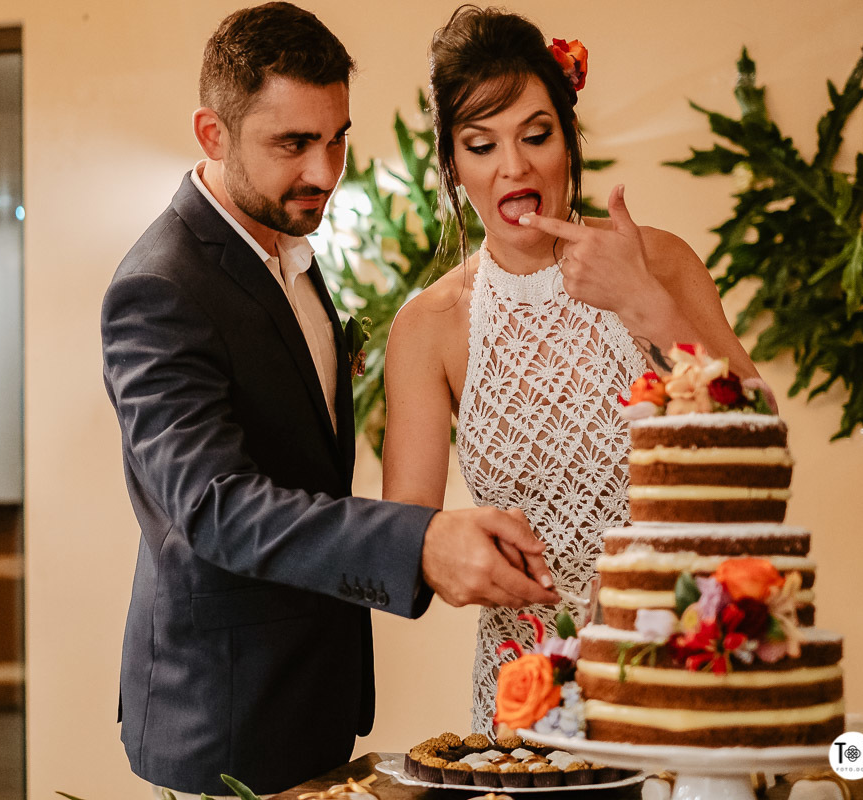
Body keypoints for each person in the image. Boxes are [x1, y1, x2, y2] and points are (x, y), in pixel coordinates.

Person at [101, 4, 560, 796]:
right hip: (224, 714)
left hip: (313, 698)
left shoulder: (294, 252)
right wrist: (418, 542)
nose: (324, 171)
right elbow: (215, 506)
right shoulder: (158, 287)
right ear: (212, 134)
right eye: (292, 144)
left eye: (337, 137)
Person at [381, 5, 764, 735]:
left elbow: (758, 446)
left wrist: (645, 303)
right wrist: (461, 550)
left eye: (535, 135)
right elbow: (407, 537)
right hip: (527, 696)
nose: (514, 166)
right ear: (452, 164)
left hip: (681, 669)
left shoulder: (665, 262)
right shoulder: (428, 327)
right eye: (480, 144)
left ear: (568, 135)